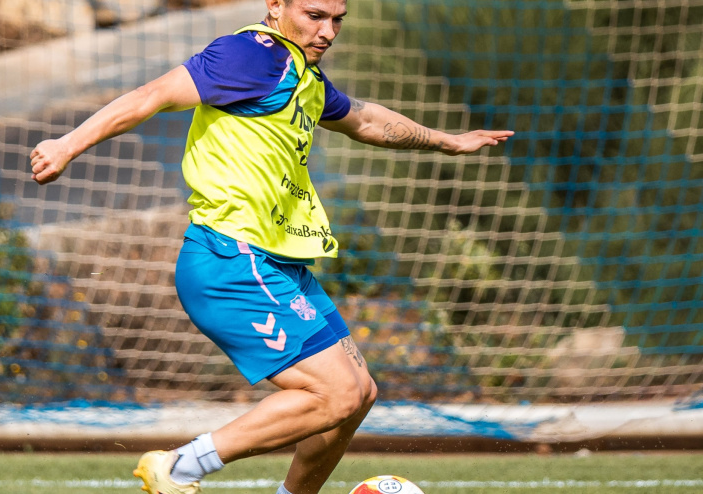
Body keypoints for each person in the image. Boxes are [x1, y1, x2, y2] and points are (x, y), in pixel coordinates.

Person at [30, 0, 513, 493]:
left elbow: (365, 120)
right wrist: (67, 145)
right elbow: (152, 95)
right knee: (335, 393)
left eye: (338, 20)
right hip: (231, 259)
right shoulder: (252, 54)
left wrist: (447, 142)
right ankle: (178, 467)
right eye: (314, 15)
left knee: (359, 394)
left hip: (279, 265)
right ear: (276, 6)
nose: (328, 31)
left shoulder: (302, 75)